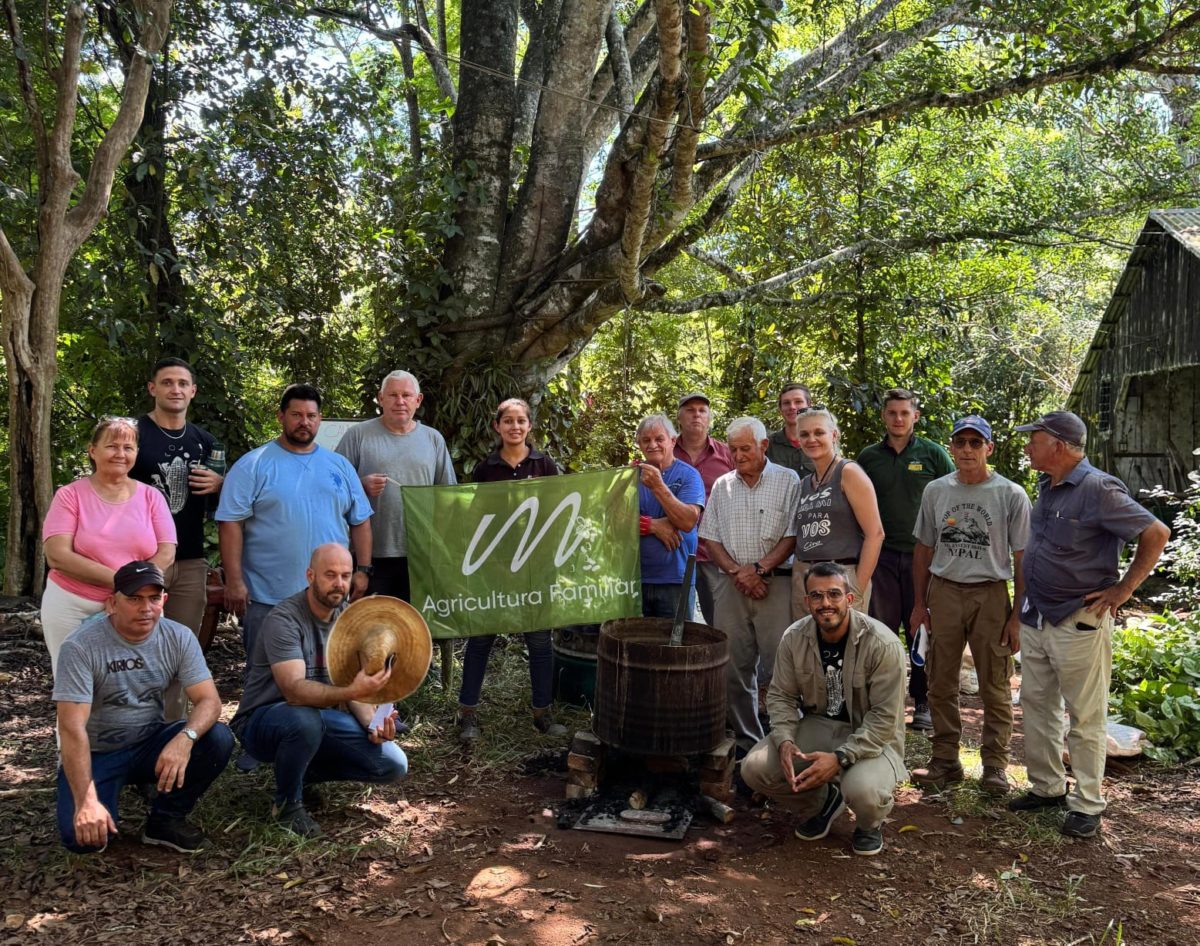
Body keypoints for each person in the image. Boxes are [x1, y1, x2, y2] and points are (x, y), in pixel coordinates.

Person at [1008, 411, 1168, 838]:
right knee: (1037, 706)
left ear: (1058, 445)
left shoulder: (1099, 488)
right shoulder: (1048, 483)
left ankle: (1087, 804)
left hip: (1079, 618)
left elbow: (1156, 533)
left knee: (1085, 715)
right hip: (1039, 614)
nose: (1027, 447)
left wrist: (1122, 591)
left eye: (1034, 440)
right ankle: (1046, 788)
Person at [53, 561, 234, 853]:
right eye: (134, 598)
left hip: (150, 742)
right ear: (112, 603)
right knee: (84, 840)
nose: (145, 607)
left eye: (153, 598)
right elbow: (72, 727)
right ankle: (96, 799)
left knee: (218, 739)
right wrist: (86, 802)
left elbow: (209, 701)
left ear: (164, 600)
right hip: (99, 752)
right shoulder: (81, 646)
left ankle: (165, 821)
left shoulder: (178, 636)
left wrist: (183, 740)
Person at [231, 544, 409, 838]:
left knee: (392, 765)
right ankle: (287, 805)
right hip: (263, 721)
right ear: (310, 575)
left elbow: (353, 688)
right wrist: (350, 689)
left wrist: (372, 724)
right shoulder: (284, 619)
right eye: (330, 575)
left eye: (345, 575)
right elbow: (294, 692)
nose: (339, 584)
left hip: (317, 720)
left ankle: (302, 776)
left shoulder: (348, 619)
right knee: (303, 719)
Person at [740, 563, 906, 856]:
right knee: (754, 769)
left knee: (863, 791)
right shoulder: (794, 637)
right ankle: (824, 803)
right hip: (820, 725)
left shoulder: (883, 643)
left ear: (850, 599)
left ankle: (869, 825)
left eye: (834, 594)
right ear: (807, 602)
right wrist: (785, 739)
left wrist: (840, 758)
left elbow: (884, 720)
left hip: (872, 737)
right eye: (816, 596)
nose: (825, 603)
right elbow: (780, 696)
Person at [908, 416, 1031, 795]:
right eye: (960, 442)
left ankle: (994, 764)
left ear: (988, 448)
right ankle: (945, 760)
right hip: (944, 590)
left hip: (991, 593)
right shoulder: (936, 491)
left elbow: (1023, 557)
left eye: (975, 443)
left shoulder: (1009, 494)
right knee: (939, 679)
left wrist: (1016, 616)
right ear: (951, 447)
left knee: (994, 683)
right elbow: (924, 547)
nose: (966, 450)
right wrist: (919, 605)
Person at [216, 383, 374, 657]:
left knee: (332, 673)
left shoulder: (339, 466)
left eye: (311, 416)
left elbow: (360, 520)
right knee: (266, 680)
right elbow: (230, 523)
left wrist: (364, 570)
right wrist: (234, 580)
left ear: (319, 419)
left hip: (329, 596)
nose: (305, 422)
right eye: (296, 415)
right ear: (281, 416)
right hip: (268, 597)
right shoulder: (253, 465)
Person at [456, 398, 566, 744]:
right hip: (494, 568)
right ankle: (468, 714)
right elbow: (476, 520)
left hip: (534, 569)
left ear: (529, 426)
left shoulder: (545, 465)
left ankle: (542, 714)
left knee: (539, 641)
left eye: (521, 421)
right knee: (481, 638)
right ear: (497, 426)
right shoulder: (485, 469)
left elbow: (557, 513)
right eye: (508, 421)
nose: (515, 427)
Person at [41, 417, 177, 676]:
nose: (120, 454)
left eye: (128, 448)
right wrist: (123, 582)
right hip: (72, 603)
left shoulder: (152, 496)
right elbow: (57, 555)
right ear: (93, 450)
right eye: (112, 446)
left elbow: (166, 552)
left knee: (137, 681)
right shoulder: (70, 495)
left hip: (136, 605)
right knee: (74, 683)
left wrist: (132, 592)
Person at [698, 416, 800, 755]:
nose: (739, 455)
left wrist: (759, 569)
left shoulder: (788, 481)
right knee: (733, 669)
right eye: (734, 449)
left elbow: (792, 535)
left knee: (782, 667)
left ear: (763, 446)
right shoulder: (723, 485)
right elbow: (709, 537)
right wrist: (739, 573)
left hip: (777, 584)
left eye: (745, 448)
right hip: (733, 587)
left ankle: (786, 743)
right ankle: (748, 744)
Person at [130, 357, 223, 719]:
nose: (175, 389)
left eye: (183, 383)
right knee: (135, 645)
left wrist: (221, 484)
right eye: (167, 382)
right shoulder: (132, 435)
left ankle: (171, 733)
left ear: (193, 391)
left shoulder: (206, 443)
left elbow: (223, 506)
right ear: (153, 388)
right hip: (141, 559)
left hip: (189, 560)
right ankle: (131, 731)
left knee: (180, 649)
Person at [856, 388, 954, 731]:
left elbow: (953, 495)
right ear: (884, 416)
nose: (898, 419)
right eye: (892, 413)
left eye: (904, 413)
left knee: (920, 627)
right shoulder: (868, 457)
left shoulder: (932, 454)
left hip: (922, 557)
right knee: (880, 629)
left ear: (915, 416)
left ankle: (922, 700)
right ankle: (884, 700)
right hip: (880, 558)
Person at [335, 370, 457, 603]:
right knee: (373, 629)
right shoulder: (357, 436)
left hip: (421, 554)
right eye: (392, 395)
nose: (399, 401)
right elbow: (332, 487)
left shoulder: (433, 439)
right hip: (370, 557)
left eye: (406, 395)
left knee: (415, 629)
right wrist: (360, 485)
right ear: (381, 398)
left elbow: (447, 495)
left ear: (418, 400)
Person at [791, 407, 884, 617]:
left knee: (845, 647)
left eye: (819, 432)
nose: (811, 439)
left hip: (841, 576)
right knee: (808, 647)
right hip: (805, 578)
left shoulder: (848, 472)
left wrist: (857, 589)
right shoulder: (806, 482)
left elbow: (875, 534)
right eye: (804, 434)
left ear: (833, 435)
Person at [635, 414, 705, 618]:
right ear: (639, 443)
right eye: (646, 440)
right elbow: (614, 522)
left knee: (676, 646)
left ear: (673, 441)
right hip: (636, 578)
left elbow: (687, 521)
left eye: (659, 439)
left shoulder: (689, 475)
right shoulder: (629, 476)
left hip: (676, 578)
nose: (652, 445)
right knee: (638, 645)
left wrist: (657, 485)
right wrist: (652, 526)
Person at [673, 392, 734, 624]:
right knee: (679, 623)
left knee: (719, 622)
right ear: (679, 417)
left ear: (709, 418)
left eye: (702, 410)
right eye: (690, 410)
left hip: (714, 552)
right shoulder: (667, 452)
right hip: (676, 551)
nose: (696, 415)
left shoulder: (727, 455)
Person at [765, 383, 814, 476]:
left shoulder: (821, 442)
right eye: (786, 403)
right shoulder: (767, 445)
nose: (792, 407)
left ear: (809, 405)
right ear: (780, 409)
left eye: (798, 401)